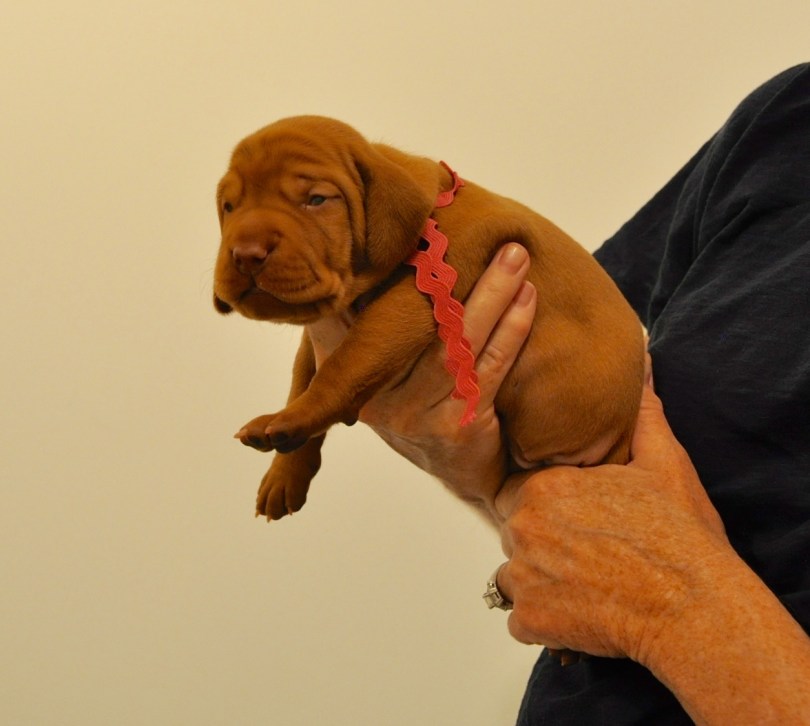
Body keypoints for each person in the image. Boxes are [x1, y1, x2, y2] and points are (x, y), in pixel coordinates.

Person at [313, 64, 810, 723]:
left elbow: (651, 552)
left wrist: (677, 609)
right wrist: (483, 472)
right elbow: (622, 483)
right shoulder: (790, 120)